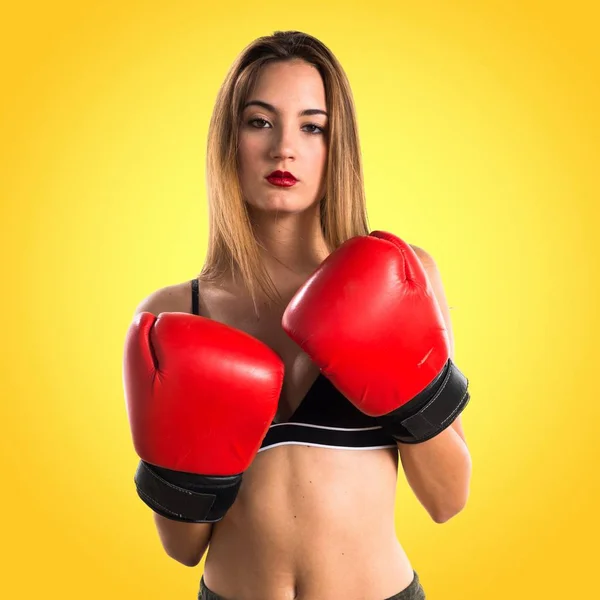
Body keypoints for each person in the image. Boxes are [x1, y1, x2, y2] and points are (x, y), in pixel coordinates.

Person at [123, 30, 472, 600]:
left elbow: (447, 500)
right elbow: (181, 547)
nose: (285, 147)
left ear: (337, 147)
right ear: (228, 140)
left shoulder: (403, 275)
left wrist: (405, 385)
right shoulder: (173, 317)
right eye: (260, 121)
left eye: (312, 126)